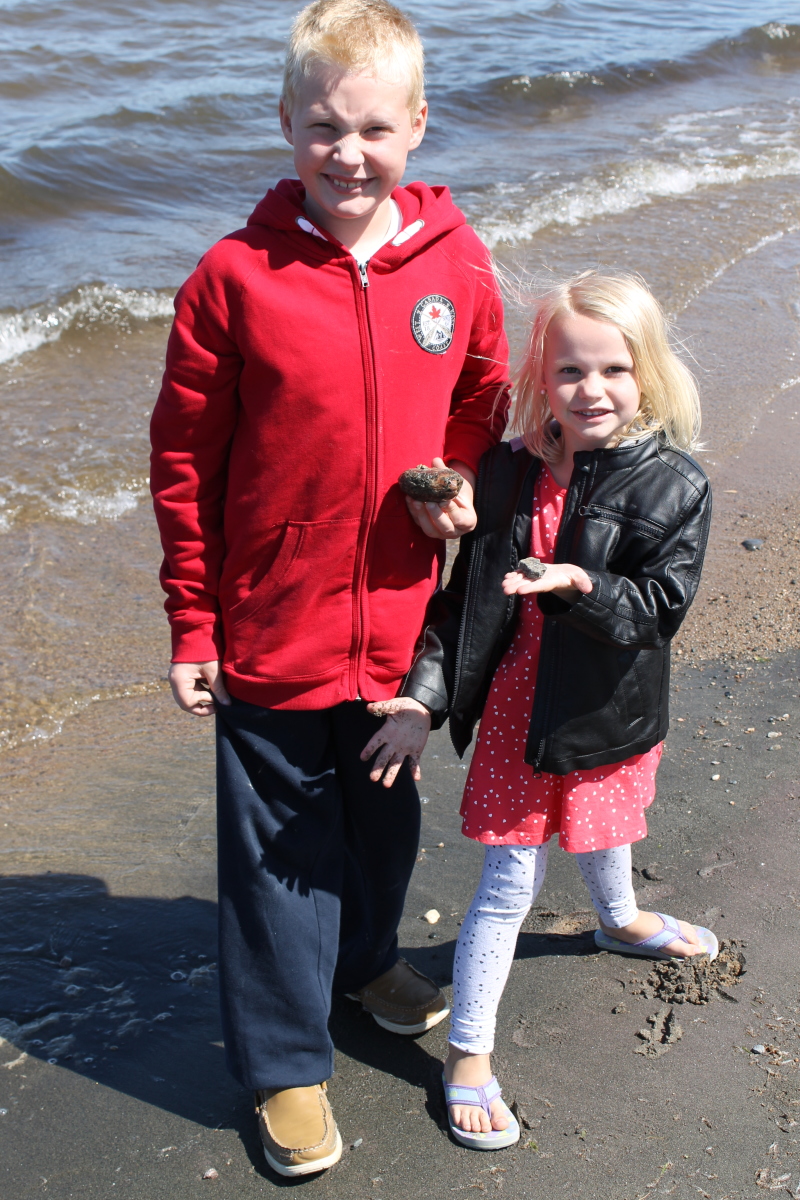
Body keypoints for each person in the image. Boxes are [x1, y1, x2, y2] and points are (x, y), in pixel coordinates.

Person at [149, 0, 509, 1177]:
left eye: (370, 128)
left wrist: (450, 482)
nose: (345, 153)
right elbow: (185, 460)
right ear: (284, 125)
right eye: (320, 128)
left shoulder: (454, 260)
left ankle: (364, 963)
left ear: (415, 126)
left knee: (380, 816)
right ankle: (284, 1065)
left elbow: (481, 394)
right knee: (276, 856)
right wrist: (194, 618)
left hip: (399, 620)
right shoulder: (232, 279)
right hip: (272, 620)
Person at [364, 270, 716, 1150]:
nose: (590, 390)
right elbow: (461, 604)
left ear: (649, 373)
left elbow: (659, 607)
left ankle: (620, 917)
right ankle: (470, 1058)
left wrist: (579, 585)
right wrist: (421, 698)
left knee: (607, 822)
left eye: (614, 370)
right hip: (519, 718)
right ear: (538, 375)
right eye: (568, 372)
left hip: (604, 706)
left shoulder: (674, 484)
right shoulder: (506, 470)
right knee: (507, 886)